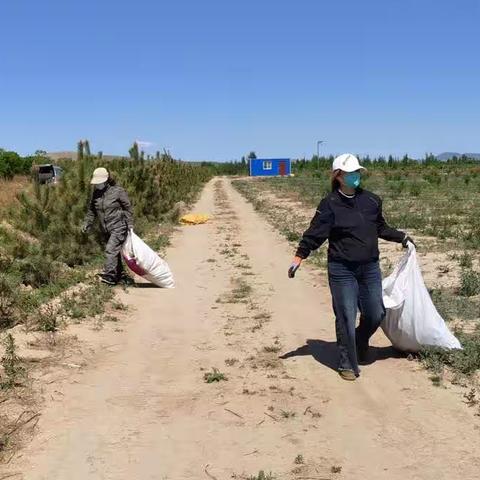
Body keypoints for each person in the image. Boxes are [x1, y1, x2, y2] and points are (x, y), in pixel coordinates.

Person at [288, 154, 414, 381]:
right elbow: (315, 234)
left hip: (369, 268)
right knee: (346, 314)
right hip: (341, 269)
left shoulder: (372, 200)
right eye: (350, 173)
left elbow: (381, 228)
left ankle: (359, 339)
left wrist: (402, 237)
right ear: (338, 176)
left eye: (357, 172)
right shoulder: (329, 204)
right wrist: (299, 257)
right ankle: (347, 362)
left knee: (376, 313)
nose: (356, 176)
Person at [82, 167, 134, 286]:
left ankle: (110, 276)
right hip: (105, 229)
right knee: (114, 252)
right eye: (96, 183)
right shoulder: (96, 194)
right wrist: (87, 223)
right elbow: (92, 211)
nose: (97, 185)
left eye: (99, 183)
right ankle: (120, 275)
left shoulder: (118, 191)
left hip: (119, 227)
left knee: (110, 250)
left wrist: (130, 224)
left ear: (105, 180)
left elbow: (128, 208)